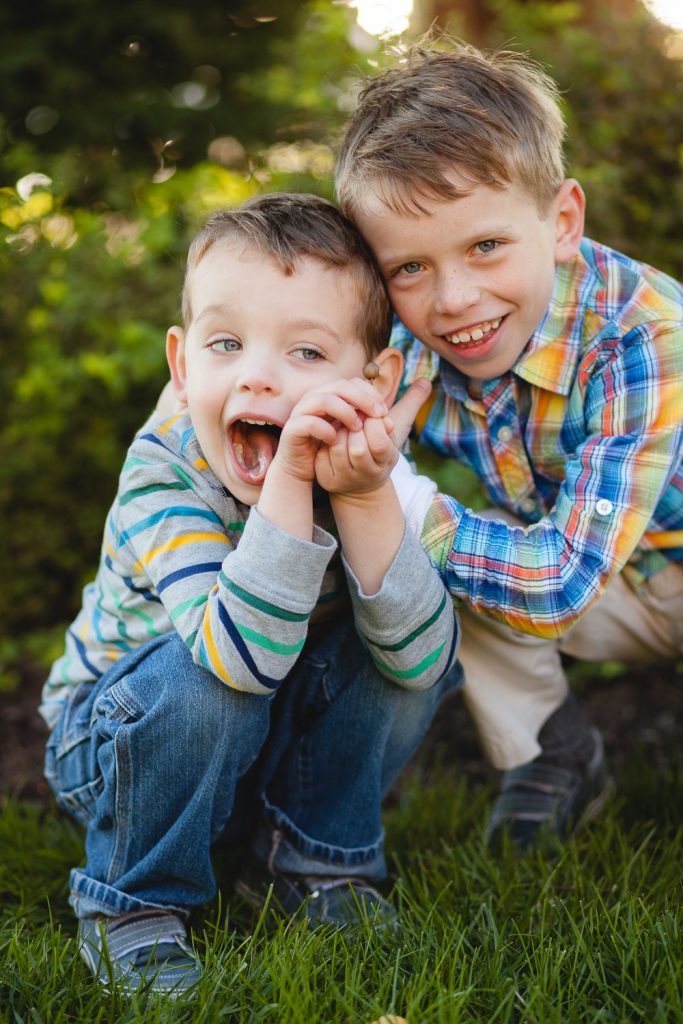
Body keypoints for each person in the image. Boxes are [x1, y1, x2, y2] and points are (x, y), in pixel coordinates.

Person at [40, 193, 462, 996]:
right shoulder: (165, 474)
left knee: (405, 629)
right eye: (225, 343)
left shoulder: (365, 461)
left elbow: (421, 667)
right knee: (209, 682)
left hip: (251, 741)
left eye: (306, 352)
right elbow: (236, 660)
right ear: (182, 363)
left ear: (372, 380)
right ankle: (133, 900)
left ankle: (306, 863)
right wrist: (294, 479)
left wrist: (367, 497)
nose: (258, 375)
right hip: (121, 750)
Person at [335, 39, 683, 851]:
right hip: (618, 577)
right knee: (444, 556)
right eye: (410, 267)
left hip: (624, 563)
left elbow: (559, 581)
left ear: (561, 221)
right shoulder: (407, 338)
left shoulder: (641, 337)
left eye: (485, 246)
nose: (454, 301)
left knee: (420, 527)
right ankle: (550, 754)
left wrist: (397, 498)